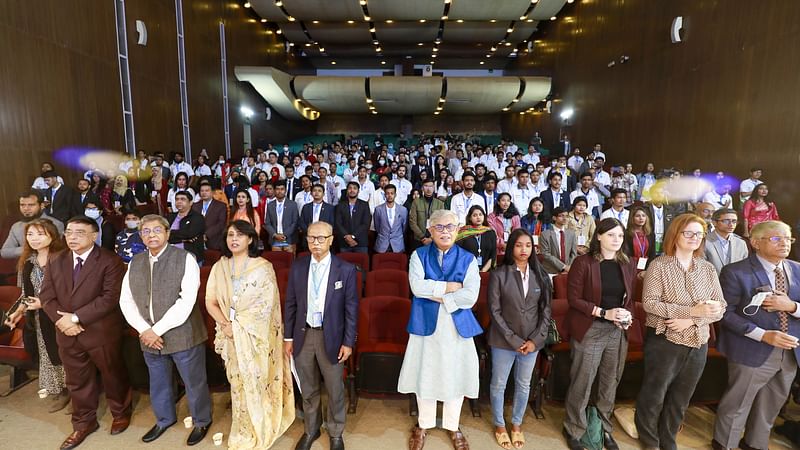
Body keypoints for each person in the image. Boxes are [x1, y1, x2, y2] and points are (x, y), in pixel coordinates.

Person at [634, 213, 727, 450]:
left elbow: (720, 308)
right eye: (689, 233)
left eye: (699, 234)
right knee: (655, 393)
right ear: (675, 235)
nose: (694, 238)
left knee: (681, 398)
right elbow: (651, 304)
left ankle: (669, 440)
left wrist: (692, 319)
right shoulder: (659, 266)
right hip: (665, 339)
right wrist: (694, 310)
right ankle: (650, 440)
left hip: (698, 341)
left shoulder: (707, 269)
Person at [39, 216, 132, 449]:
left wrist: (76, 317)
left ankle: (120, 412)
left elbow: (109, 298)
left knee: (112, 374)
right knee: (77, 380)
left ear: (94, 235)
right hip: (67, 332)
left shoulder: (110, 261)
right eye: (69, 232)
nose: (72, 237)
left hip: (100, 331)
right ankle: (83, 422)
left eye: (79, 233)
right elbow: (47, 296)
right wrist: (62, 321)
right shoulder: (56, 259)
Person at [118, 214, 212, 445]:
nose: (152, 235)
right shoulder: (135, 262)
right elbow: (125, 301)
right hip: (148, 335)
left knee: (193, 381)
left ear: (168, 233)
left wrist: (156, 330)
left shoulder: (185, 258)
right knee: (158, 381)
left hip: (182, 333)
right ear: (141, 235)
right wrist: (144, 329)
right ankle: (164, 419)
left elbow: (186, 301)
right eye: (146, 231)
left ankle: (201, 420)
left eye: (157, 230)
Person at [205, 220, 294, 448]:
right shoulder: (220, 267)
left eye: (239, 235)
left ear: (250, 239)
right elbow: (211, 301)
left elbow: (267, 307)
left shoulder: (263, 267)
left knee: (256, 380)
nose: (234, 239)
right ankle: (243, 426)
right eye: (230, 235)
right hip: (230, 335)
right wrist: (226, 324)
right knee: (237, 382)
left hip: (256, 337)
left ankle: (260, 424)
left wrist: (237, 327)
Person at [712, 221, 800, 450]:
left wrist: (791, 306)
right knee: (737, 404)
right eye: (775, 238)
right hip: (751, 348)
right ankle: (725, 444)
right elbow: (725, 314)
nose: (784, 243)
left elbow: (794, 308)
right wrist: (763, 335)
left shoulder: (797, 269)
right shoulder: (735, 271)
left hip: (790, 351)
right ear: (755, 242)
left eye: (788, 239)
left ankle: (755, 444)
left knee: (771, 405)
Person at [399, 209, 482, 450]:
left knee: (455, 375)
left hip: (457, 327)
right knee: (425, 374)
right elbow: (416, 287)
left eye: (450, 227)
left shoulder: (467, 259)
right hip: (426, 324)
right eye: (439, 227)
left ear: (458, 230)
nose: (445, 231)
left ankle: (453, 426)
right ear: (430, 230)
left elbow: (470, 296)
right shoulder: (418, 255)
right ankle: (423, 425)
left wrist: (439, 295)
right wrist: (450, 287)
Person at [562, 218, 637, 450]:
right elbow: (574, 300)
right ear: (599, 237)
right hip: (590, 327)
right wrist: (605, 313)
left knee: (609, 382)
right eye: (611, 235)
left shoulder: (627, 263)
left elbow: (630, 299)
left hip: (616, 331)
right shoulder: (583, 263)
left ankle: (605, 428)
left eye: (620, 236)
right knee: (582, 382)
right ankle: (574, 428)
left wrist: (627, 318)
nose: (616, 240)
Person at [283, 221, 358, 450]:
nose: (315, 243)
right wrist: (288, 338)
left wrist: (348, 342)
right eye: (311, 238)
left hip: (332, 337)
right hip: (303, 335)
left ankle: (336, 431)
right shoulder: (298, 266)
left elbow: (351, 309)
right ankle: (311, 429)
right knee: (308, 387)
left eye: (321, 238)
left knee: (335, 388)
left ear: (331, 239)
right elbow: (291, 303)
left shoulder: (345, 270)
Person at [488, 229, 552, 449]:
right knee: (499, 384)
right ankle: (499, 425)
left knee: (524, 385)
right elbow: (494, 312)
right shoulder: (499, 274)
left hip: (532, 342)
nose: (523, 250)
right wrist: (514, 340)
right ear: (511, 247)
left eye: (528, 245)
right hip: (503, 341)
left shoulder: (540, 275)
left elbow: (545, 311)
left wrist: (535, 341)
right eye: (518, 245)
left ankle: (516, 425)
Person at [3, 219, 69, 413]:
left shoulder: (63, 258)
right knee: (49, 353)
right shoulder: (28, 262)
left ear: (52, 235)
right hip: (40, 317)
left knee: (67, 354)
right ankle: (62, 390)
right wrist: (17, 312)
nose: (34, 239)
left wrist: (46, 303)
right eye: (30, 235)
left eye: (40, 234)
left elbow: (70, 292)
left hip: (60, 314)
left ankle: (77, 390)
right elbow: (26, 294)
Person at [2, 191, 64, 258]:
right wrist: (30, 248)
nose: (26, 208)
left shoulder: (55, 224)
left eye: (31, 205)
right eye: (22, 205)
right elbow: (5, 252)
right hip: (25, 266)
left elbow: (56, 249)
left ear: (42, 205)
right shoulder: (16, 227)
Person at [704, 208, 749, 275]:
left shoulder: (741, 243)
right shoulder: (705, 242)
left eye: (734, 221)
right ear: (714, 222)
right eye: (726, 221)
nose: (731, 224)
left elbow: (745, 267)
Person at [167, 191, 206, 263]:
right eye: (177, 199)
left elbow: (189, 234)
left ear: (190, 203)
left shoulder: (197, 217)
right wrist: (183, 239)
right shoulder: (170, 216)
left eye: (183, 199)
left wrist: (170, 234)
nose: (179, 201)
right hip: (170, 255)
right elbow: (163, 234)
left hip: (190, 256)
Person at [456, 205, 497, 272]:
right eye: (474, 215)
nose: (478, 217)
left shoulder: (490, 232)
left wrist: (483, 271)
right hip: (467, 271)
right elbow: (459, 255)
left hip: (487, 271)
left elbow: (493, 255)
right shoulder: (463, 233)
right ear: (470, 218)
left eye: (480, 215)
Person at [334, 182, 371, 254]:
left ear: (358, 191)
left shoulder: (364, 205)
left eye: (355, 188)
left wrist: (353, 236)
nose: (352, 190)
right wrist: (347, 237)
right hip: (344, 242)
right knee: (344, 264)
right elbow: (338, 223)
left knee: (361, 265)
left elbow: (365, 223)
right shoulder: (340, 205)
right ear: (347, 190)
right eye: (350, 188)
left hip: (360, 242)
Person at [264, 180, 300, 253]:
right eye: (277, 189)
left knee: (291, 262)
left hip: (289, 239)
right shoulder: (270, 205)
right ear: (274, 190)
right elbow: (267, 223)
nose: (279, 191)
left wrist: (285, 235)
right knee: (277, 262)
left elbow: (295, 222)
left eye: (282, 189)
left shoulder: (293, 204)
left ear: (285, 190)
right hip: (275, 239)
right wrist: (275, 235)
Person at [540, 208, 578, 274]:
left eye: (567, 216)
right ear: (554, 218)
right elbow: (546, 254)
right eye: (561, 216)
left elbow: (574, 253)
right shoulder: (545, 234)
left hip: (568, 270)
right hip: (550, 270)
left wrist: (568, 267)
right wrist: (563, 267)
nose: (565, 218)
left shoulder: (571, 233)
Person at [409, 179, 446, 249]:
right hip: (418, 239)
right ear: (422, 188)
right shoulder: (416, 202)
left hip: (435, 239)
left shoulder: (440, 204)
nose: (428, 189)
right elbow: (412, 222)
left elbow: (441, 222)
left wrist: (431, 238)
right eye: (426, 186)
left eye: (431, 186)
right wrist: (422, 237)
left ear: (434, 188)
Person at [193, 182, 228, 251]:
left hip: (214, 241)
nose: (204, 193)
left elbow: (221, 224)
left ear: (212, 192)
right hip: (197, 242)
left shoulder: (221, 206)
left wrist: (207, 235)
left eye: (207, 191)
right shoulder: (195, 206)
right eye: (202, 191)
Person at [373, 184, 407, 253]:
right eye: (387, 193)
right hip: (382, 245)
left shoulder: (403, 210)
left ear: (395, 195)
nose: (390, 195)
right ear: (384, 195)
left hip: (398, 245)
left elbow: (404, 226)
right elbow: (377, 227)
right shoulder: (378, 209)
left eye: (392, 193)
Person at [487, 192, 521, 258]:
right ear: (498, 202)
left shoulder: (515, 216)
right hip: (496, 248)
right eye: (503, 200)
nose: (506, 203)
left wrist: (510, 245)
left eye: (508, 200)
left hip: (512, 248)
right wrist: (502, 244)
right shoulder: (491, 217)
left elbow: (517, 233)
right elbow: (493, 234)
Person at [623, 205, 657, 271]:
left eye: (643, 216)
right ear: (632, 218)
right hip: (630, 268)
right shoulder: (626, 234)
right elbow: (626, 254)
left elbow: (652, 254)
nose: (641, 218)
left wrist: (647, 270)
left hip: (647, 268)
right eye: (638, 216)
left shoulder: (650, 234)